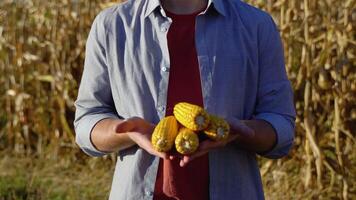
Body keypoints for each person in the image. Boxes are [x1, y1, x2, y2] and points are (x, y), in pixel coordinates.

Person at [74, 0, 296, 199]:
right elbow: (87, 122)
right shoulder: (112, 26)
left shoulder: (256, 26)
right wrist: (126, 131)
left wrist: (243, 131)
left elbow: (281, 126)